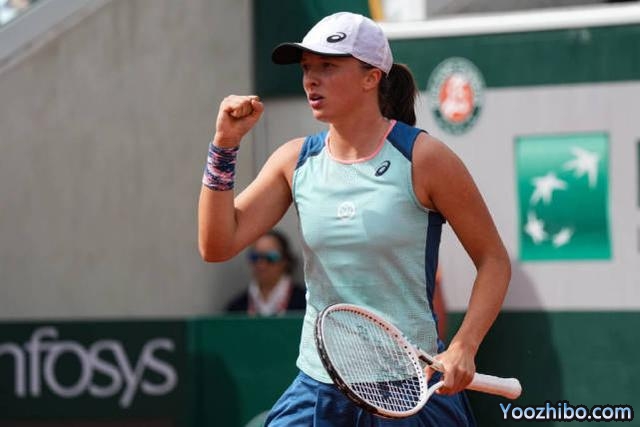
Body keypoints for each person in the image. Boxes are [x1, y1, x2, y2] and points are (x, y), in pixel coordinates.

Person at [198, 11, 511, 426]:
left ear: (371, 77)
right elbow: (217, 245)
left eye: (327, 66)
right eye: (306, 68)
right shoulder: (294, 161)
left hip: (411, 387)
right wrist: (224, 145)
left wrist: (464, 346)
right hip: (318, 387)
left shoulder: (425, 159)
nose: (311, 79)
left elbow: (493, 260)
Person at [225, 229, 306, 316]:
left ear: (285, 261)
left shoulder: (305, 304)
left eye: (271, 257)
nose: (261, 265)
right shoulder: (236, 308)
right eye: (255, 257)